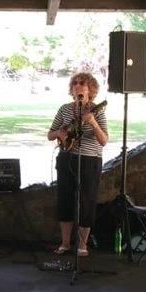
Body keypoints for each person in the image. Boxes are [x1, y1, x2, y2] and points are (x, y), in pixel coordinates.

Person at [47, 72, 108, 257]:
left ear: (90, 89)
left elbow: (104, 140)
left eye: (82, 83)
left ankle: (82, 244)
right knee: (65, 199)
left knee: (87, 201)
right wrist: (60, 133)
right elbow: (50, 134)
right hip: (67, 158)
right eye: (75, 83)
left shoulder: (97, 110)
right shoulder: (65, 109)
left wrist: (93, 123)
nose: (78, 86)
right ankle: (65, 243)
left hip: (89, 160)